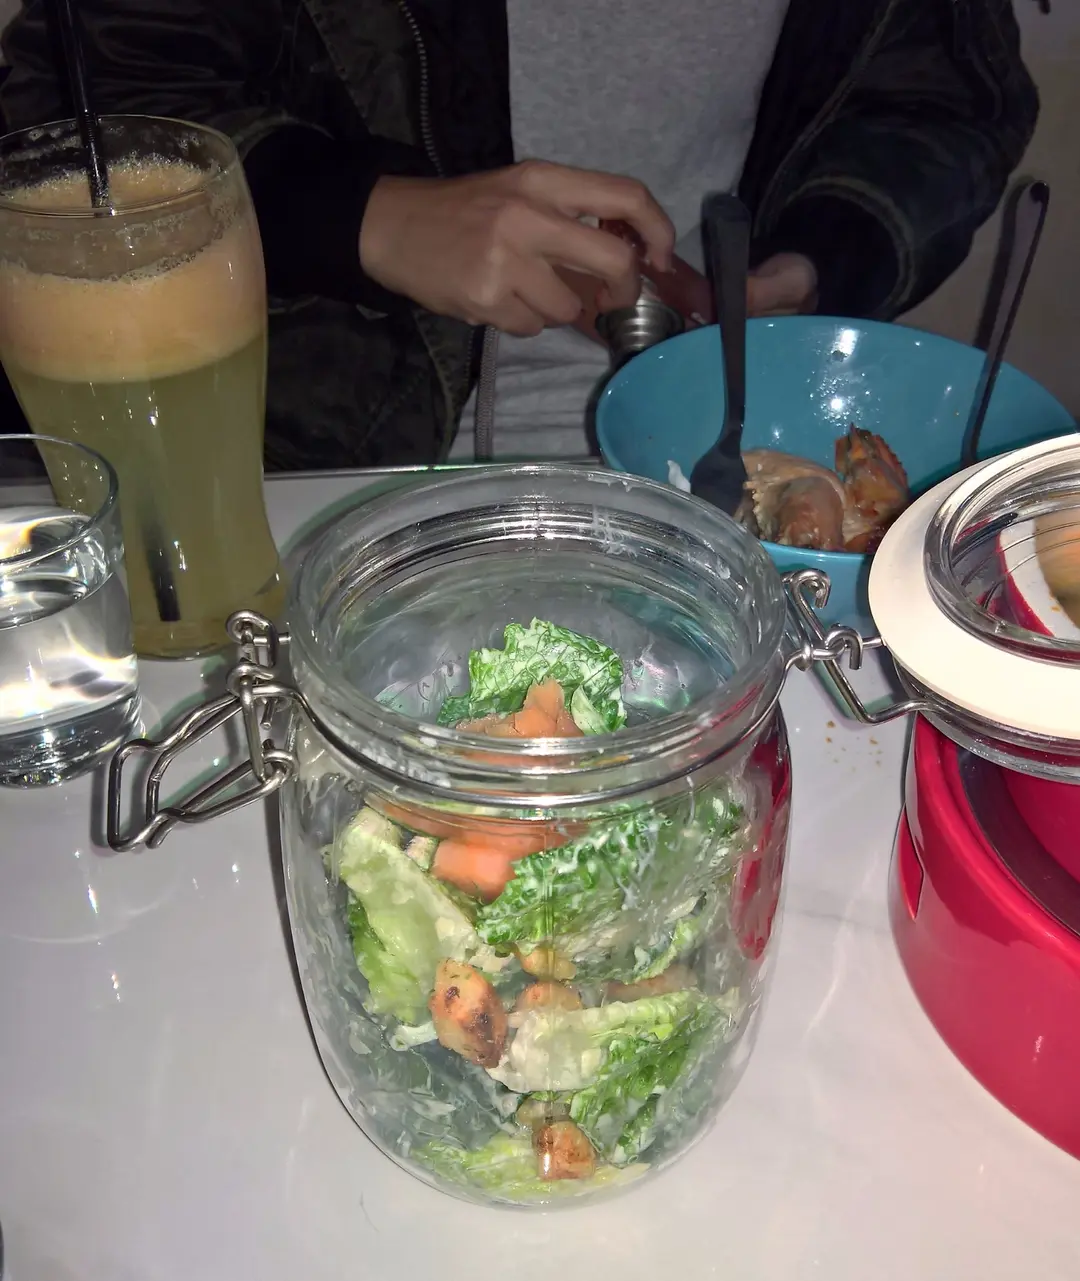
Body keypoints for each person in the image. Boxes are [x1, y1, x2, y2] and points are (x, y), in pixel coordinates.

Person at [0, 0, 1037, 470]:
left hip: (727, 451)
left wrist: (813, 260)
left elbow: (939, 97)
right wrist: (364, 215)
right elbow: (66, 121)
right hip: (310, 464)